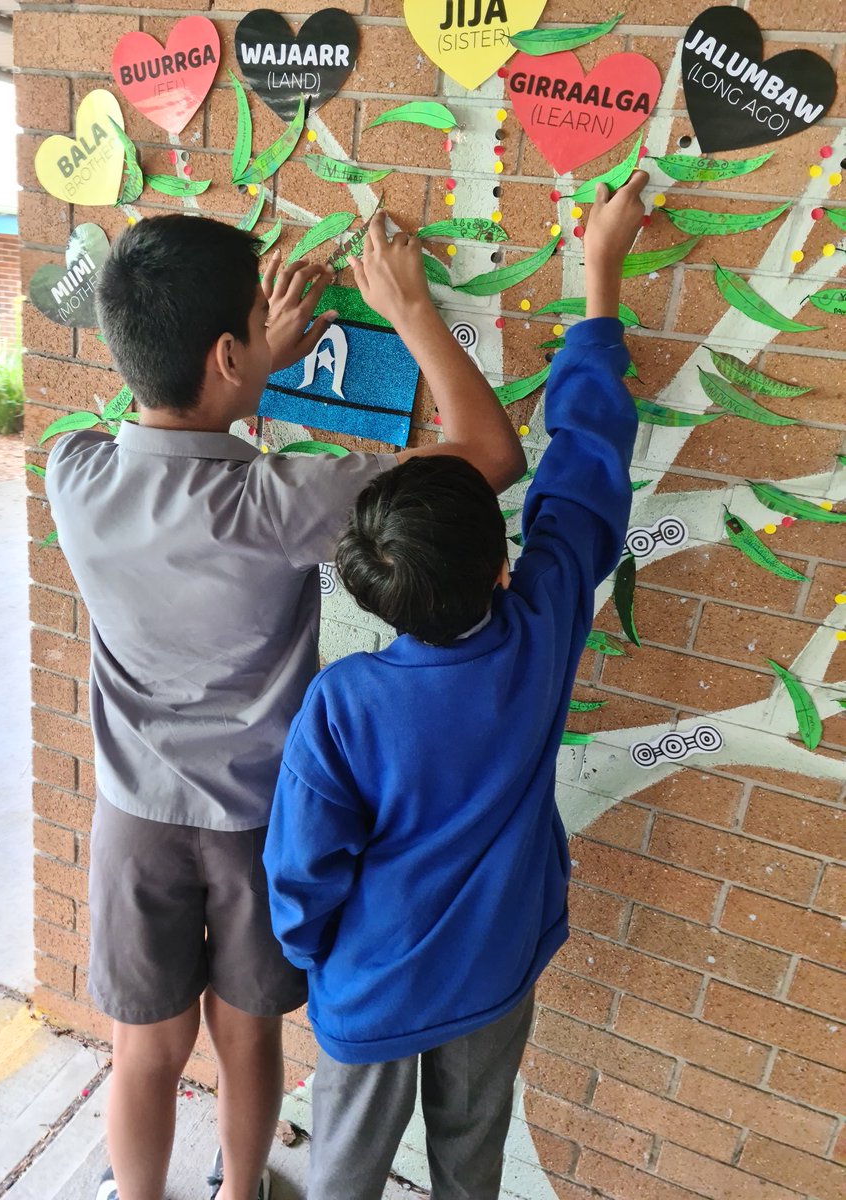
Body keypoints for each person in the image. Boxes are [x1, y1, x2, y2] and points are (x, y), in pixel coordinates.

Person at [44, 211, 525, 1200]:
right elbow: (489, 453)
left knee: (144, 1051)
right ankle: (239, 1191)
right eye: (254, 328)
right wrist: (410, 309)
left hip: (134, 821)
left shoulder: (74, 472)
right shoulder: (281, 501)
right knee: (246, 1036)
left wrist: (242, 364)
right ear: (228, 353)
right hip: (261, 824)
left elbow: (158, 412)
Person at [264, 171, 649, 1200]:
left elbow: (299, 874)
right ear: (501, 566)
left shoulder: (344, 705)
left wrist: (316, 959)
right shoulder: (543, 623)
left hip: (371, 987)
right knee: (470, 1171)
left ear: (372, 588)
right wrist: (600, 278)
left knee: (342, 1176)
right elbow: (585, 464)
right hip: (493, 971)